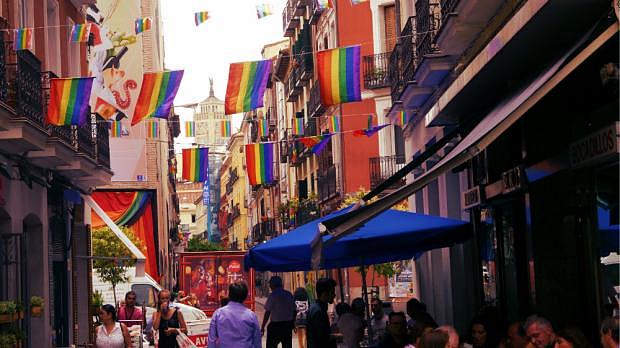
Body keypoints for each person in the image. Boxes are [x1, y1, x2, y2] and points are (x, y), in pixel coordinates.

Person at [208, 281, 261, 348]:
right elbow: (257, 341)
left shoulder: (218, 314)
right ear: (245, 296)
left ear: (229, 295)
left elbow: (211, 341)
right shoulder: (251, 316)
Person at [261, 275, 296, 348]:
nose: (269, 286)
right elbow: (294, 310)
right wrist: (293, 323)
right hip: (287, 326)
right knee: (287, 346)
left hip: (275, 327)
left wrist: (263, 326)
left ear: (273, 285)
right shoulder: (289, 294)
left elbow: (267, 312)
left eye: (270, 284)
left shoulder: (273, 295)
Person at [307, 277, 337, 348]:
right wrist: (340, 336)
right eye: (332, 292)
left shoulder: (317, 308)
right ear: (324, 293)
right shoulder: (318, 311)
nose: (334, 295)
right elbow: (323, 338)